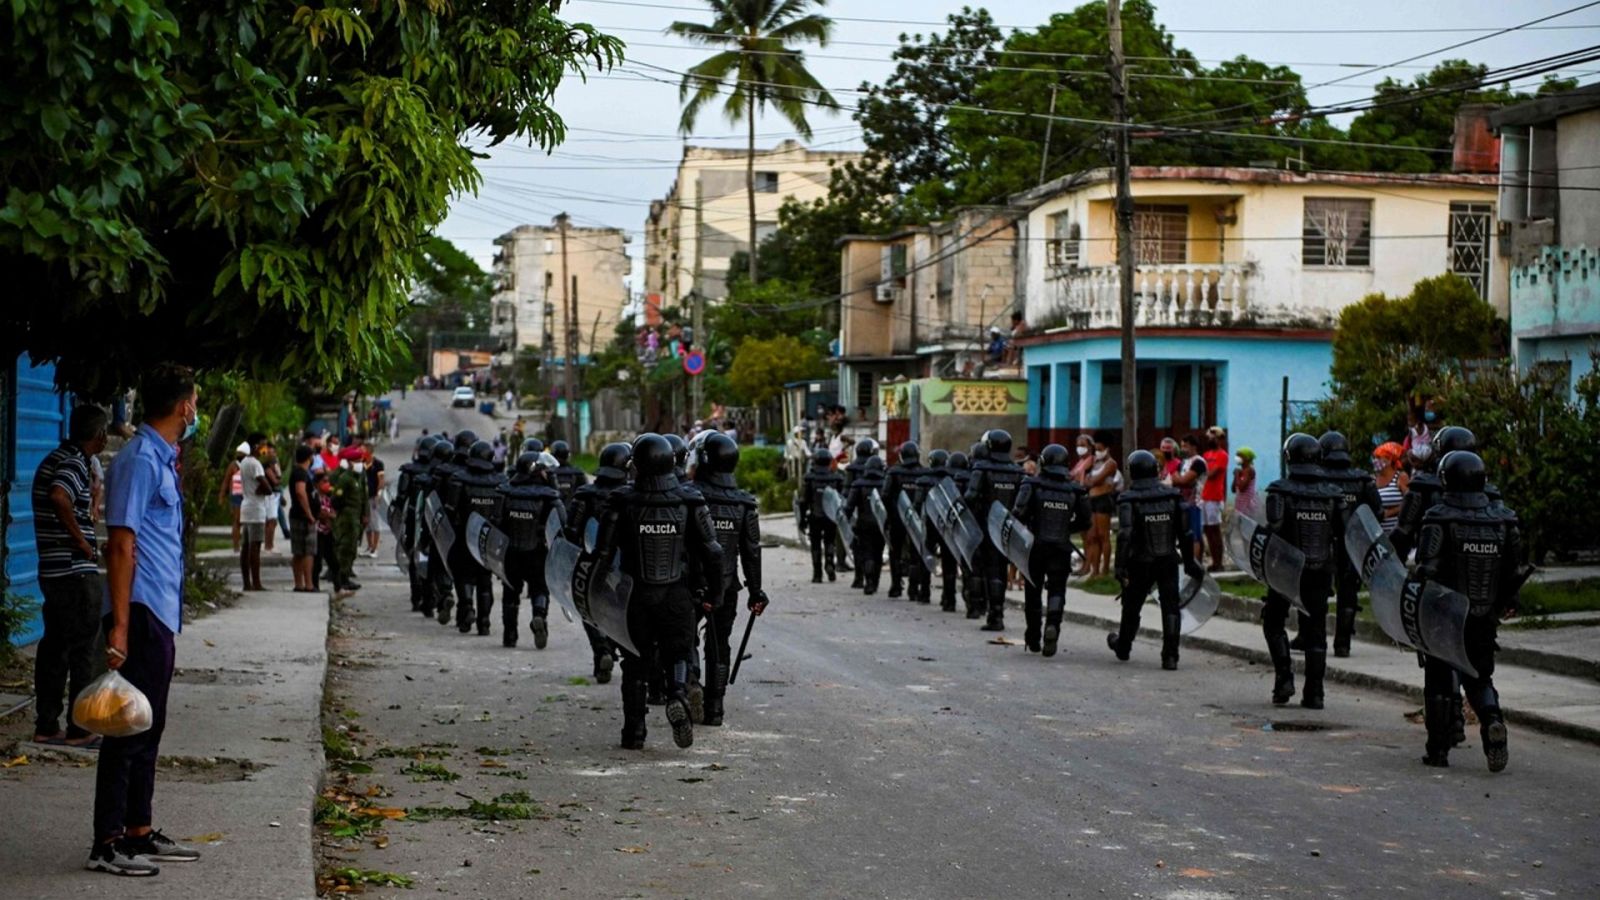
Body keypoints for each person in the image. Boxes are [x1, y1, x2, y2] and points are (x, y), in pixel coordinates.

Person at [90, 364, 203, 877]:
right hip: (137, 608)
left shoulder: (162, 459)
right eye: (194, 401)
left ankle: (138, 830)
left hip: (158, 609)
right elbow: (120, 544)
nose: (196, 410)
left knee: (148, 723)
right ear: (184, 406)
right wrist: (118, 624)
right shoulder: (137, 460)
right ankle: (107, 842)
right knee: (125, 728)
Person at [590, 433, 724, 750]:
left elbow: (602, 555)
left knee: (635, 662)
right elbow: (714, 552)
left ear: (636, 464)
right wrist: (715, 594)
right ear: (671, 462)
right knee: (678, 651)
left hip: (635, 596)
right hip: (676, 594)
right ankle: (677, 693)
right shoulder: (690, 501)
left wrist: (596, 597)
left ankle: (634, 732)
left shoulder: (621, 501)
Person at [1416, 450, 1523, 772]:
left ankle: (1438, 750)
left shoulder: (1439, 517)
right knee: (1479, 677)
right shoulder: (1504, 520)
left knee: (1438, 678)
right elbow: (1512, 572)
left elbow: (1427, 569)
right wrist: (1506, 602)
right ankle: (1492, 720)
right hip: (1483, 616)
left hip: (1444, 614)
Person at [31, 404, 109, 750]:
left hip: (53, 570)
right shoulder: (75, 461)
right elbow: (60, 495)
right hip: (75, 571)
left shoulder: (53, 458)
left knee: (55, 648)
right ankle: (80, 728)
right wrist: (83, 542)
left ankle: (47, 725)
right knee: (85, 650)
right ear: (100, 435)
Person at [1260, 434, 1345, 709]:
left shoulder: (1280, 491)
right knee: (1316, 630)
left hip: (1285, 570)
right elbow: (1345, 534)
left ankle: (1284, 679)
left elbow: (1272, 529)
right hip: (1320, 572)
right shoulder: (1333, 495)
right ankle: (1315, 693)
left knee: (1273, 621)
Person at [691, 433, 766, 727]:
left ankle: (692, 683)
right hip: (726, 585)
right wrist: (756, 590)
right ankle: (715, 709)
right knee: (719, 643)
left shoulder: (690, 496)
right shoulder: (744, 504)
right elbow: (751, 551)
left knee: (685, 639)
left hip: (691, 583)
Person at [1108, 449, 1202, 669]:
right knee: (1171, 607)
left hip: (1139, 562)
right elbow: (1186, 533)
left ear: (1132, 472)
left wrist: (1120, 566)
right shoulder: (1172, 495)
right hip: (1167, 559)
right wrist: (1189, 562)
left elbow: (1125, 534)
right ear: (1155, 470)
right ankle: (1170, 655)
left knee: (1132, 605)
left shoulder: (1128, 498)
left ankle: (1123, 646)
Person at [565, 441, 633, 683]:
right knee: (619, 612)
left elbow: (571, 532)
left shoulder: (585, 495)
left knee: (589, 611)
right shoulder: (631, 497)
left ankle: (601, 651)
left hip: (589, 565)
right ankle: (617, 650)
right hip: (624, 568)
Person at [1014, 444, 1090, 657]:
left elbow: (1018, 513)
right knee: (1057, 589)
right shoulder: (1076, 490)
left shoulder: (1031, 484)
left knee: (1033, 591)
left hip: (1035, 547)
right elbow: (1086, 521)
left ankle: (1033, 636)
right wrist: (1066, 528)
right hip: (1061, 547)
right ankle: (1053, 626)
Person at [1317, 432, 1382, 658]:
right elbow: (1378, 511)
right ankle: (1342, 644)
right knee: (1348, 592)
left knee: (1316, 591)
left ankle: (1312, 638)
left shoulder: (1319, 478)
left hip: (1322, 543)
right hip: (1353, 544)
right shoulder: (1362, 480)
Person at [494, 450, 563, 649]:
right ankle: (539, 616)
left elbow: (495, 523)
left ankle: (510, 635)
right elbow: (561, 524)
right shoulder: (549, 497)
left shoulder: (505, 492)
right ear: (535, 471)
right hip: (538, 552)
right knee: (540, 589)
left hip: (511, 553)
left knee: (510, 592)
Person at [965, 429, 1024, 632]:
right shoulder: (1018, 471)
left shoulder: (981, 468)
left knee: (978, 567)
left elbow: (971, 496)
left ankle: (978, 608)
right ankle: (997, 613)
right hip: (1007, 528)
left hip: (983, 526)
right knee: (999, 570)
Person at [452, 440, 506, 635]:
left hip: (463, 538)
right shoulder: (500, 482)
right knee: (485, 580)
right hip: (488, 541)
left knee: (464, 576)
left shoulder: (459, 479)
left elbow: (450, 510)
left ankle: (466, 608)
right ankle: (484, 622)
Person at [916, 449, 959, 610]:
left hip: (930, 525)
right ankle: (950, 599)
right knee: (949, 562)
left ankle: (924, 593)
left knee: (927, 557)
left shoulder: (924, 481)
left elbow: (918, 504)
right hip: (948, 526)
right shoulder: (953, 479)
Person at [881, 442, 924, 599]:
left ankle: (896, 586)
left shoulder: (893, 472)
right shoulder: (924, 473)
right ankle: (913, 589)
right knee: (915, 553)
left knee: (895, 552)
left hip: (897, 519)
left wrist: (892, 513)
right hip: (918, 520)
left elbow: (885, 495)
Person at [843, 456, 888, 595]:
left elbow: (849, 507)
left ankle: (868, 581)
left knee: (867, 553)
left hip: (863, 525)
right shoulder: (885, 484)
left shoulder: (858, 484)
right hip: (881, 525)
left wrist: (846, 522)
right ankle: (875, 582)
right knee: (878, 553)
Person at [800, 447, 843, 584]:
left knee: (816, 544)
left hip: (815, 516)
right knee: (830, 541)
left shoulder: (810, 478)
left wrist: (802, 518)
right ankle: (830, 562)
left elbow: (804, 500)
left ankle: (817, 574)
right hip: (831, 516)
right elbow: (841, 499)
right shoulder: (836, 478)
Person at [331, 448, 368, 593]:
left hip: (356, 516)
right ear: (350, 463)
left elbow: (363, 497)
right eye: (357, 461)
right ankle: (341, 578)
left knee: (353, 548)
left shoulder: (359, 477)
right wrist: (343, 511)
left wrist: (364, 514)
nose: (360, 464)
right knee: (345, 547)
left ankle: (346, 575)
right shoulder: (345, 478)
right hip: (347, 517)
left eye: (361, 461)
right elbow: (336, 499)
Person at [1083, 433, 1120, 579]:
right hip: (1092, 500)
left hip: (1103, 500)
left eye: (1099, 449)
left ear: (1106, 448)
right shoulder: (1093, 463)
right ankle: (1095, 570)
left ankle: (1105, 570)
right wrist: (1090, 481)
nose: (1097, 452)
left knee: (1103, 535)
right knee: (1092, 536)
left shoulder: (1111, 464)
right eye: (1095, 449)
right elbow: (1085, 480)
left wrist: (1091, 481)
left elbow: (1094, 481)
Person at [842, 439, 877, 588]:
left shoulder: (851, 469)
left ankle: (859, 578)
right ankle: (873, 579)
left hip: (858, 514)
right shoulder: (878, 468)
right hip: (875, 516)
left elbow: (845, 491)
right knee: (874, 549)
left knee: (858, 547)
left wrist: (846, 515)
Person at [237, 437, 269, 591]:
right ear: (256, 446)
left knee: (246, 547)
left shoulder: (243, 463)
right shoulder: (256, 464)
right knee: (255, 547)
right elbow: (267, 487)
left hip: (246, 506)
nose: (266, 449)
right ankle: (256, 582)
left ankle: (246, 583)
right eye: (264, 445)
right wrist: (266, 488)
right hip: (256, 509)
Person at [1173, 434, 1209, 563]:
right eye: (1181, 446)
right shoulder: (1183, 462)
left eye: (1185, 446)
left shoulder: (1198, 462)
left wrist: (1178, 479)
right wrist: (1179, 479)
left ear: (1194, 446)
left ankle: (1195, 563)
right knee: (1186, 535)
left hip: (1196, 503)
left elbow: (1184, 480)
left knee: (1195, 536)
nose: (1183, 449)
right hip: (1183, 502)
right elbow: (1175, 477)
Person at [288, 445, 318, 592]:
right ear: (308, 457)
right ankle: (308, 584)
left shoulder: (298, 472)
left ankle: (299, 584)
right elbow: (301, 493)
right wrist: (309, 514)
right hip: (303, 517)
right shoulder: (301, 474)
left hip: (298, 516)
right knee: (307, 551)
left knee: (298, 551)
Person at [1201, 427, 1230, 571]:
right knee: (1207, 529)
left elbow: (1212, 474)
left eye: (1213, 438)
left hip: (1215, 496)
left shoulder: (1222, 455)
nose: (1210, 440)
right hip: (1204, 495)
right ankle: (1213, 561)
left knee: (1215, 529)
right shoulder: (1206, 455)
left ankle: (1219, 562)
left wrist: (1201, 472)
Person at [1372, 442, 1409, 537]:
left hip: (1397, 535)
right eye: (1375, 458)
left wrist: (1390, 512)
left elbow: (1410, 503)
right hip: (1378, 536)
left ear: (1389, 460)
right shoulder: (1373, 480)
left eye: (1379, 458)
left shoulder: (1401, 477)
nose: (1375, 461)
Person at [218, 443, 245, 553]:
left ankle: (243, 543)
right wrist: (222, 496)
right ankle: (236, 545)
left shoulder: (247, 465)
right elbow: (226, 481)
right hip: (236, 496)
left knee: (244, 522)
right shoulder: (233, 466)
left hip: (246, 496)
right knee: (236, 521)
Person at [549, 440, 590, 509]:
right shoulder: (578, 472)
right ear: (568, 455)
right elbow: (586, 492)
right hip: (573, 511)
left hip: (552, 512)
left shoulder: (547, 472)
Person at [363, 447, 386, 558]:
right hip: (364, 497)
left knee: (375, 523)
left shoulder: (378, 464)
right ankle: (369, 546)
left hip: (373, 496)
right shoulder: (362, 464)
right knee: (367, 523)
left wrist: (379, 493)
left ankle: (375, 548)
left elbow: (381, 480)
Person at [1231, 447, 1258, 519]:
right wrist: (1236, 476)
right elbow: (1233, 490)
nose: (1237, 458)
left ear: (1247, 458)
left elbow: (1242, 488)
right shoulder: (1241, 471)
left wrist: (1236, 475)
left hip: (1248, 507)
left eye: (1240, 456)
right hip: (1239, 505)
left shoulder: (1250, 470)